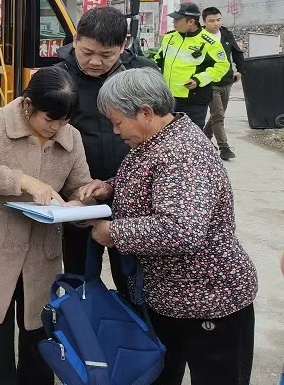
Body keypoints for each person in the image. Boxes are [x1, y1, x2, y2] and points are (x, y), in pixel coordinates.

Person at [82, 68, 258, 385]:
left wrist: (113, 232)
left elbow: (182, 230)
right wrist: (110, 187)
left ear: (146, 112)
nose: (115, 130)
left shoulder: (183, 154)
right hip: (170, 298)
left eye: (117, 121)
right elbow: (155, 187)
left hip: (208, 300)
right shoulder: (157, 140)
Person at [0, 67, 97, 385]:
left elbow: (78, 186)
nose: (56, 128)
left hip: (40, 255)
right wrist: (23, 181)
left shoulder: (71, 137)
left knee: (38, 343)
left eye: (64, 121)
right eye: (50, 120)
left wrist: (81, 203)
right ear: (28, 105)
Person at [56, 6, 157, 296]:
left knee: (132, 280)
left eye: (107, 54)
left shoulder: (143, 74)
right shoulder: (58, 77)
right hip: (79, 195)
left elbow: (160, 127)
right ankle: (80, 321)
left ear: (123, 45)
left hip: (133, 197)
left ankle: (130, 321)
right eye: (87, 52)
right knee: (78, 277)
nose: (95, 61)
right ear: (75, 39)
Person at [154, 2, 230, 129]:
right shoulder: (169, 37)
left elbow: (223, 66)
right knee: (167, 136)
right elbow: (158, 59)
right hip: (167, 99)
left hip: (193, 101)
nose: (174, 22)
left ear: (191, 22)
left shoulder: (209, 42)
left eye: (177, 20)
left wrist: (198, 79)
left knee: (191, 137)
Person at [201, 7, 244, 160]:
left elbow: (237, 52)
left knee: (217, 115)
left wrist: (240, 71)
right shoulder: (200, 37)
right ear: (204, 22)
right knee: (218, 115)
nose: (216, 23)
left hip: (227, 81)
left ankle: (204, 139)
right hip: (209, 82)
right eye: (211, 21)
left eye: (218, 20)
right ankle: (224, 148)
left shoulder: (226, 34)